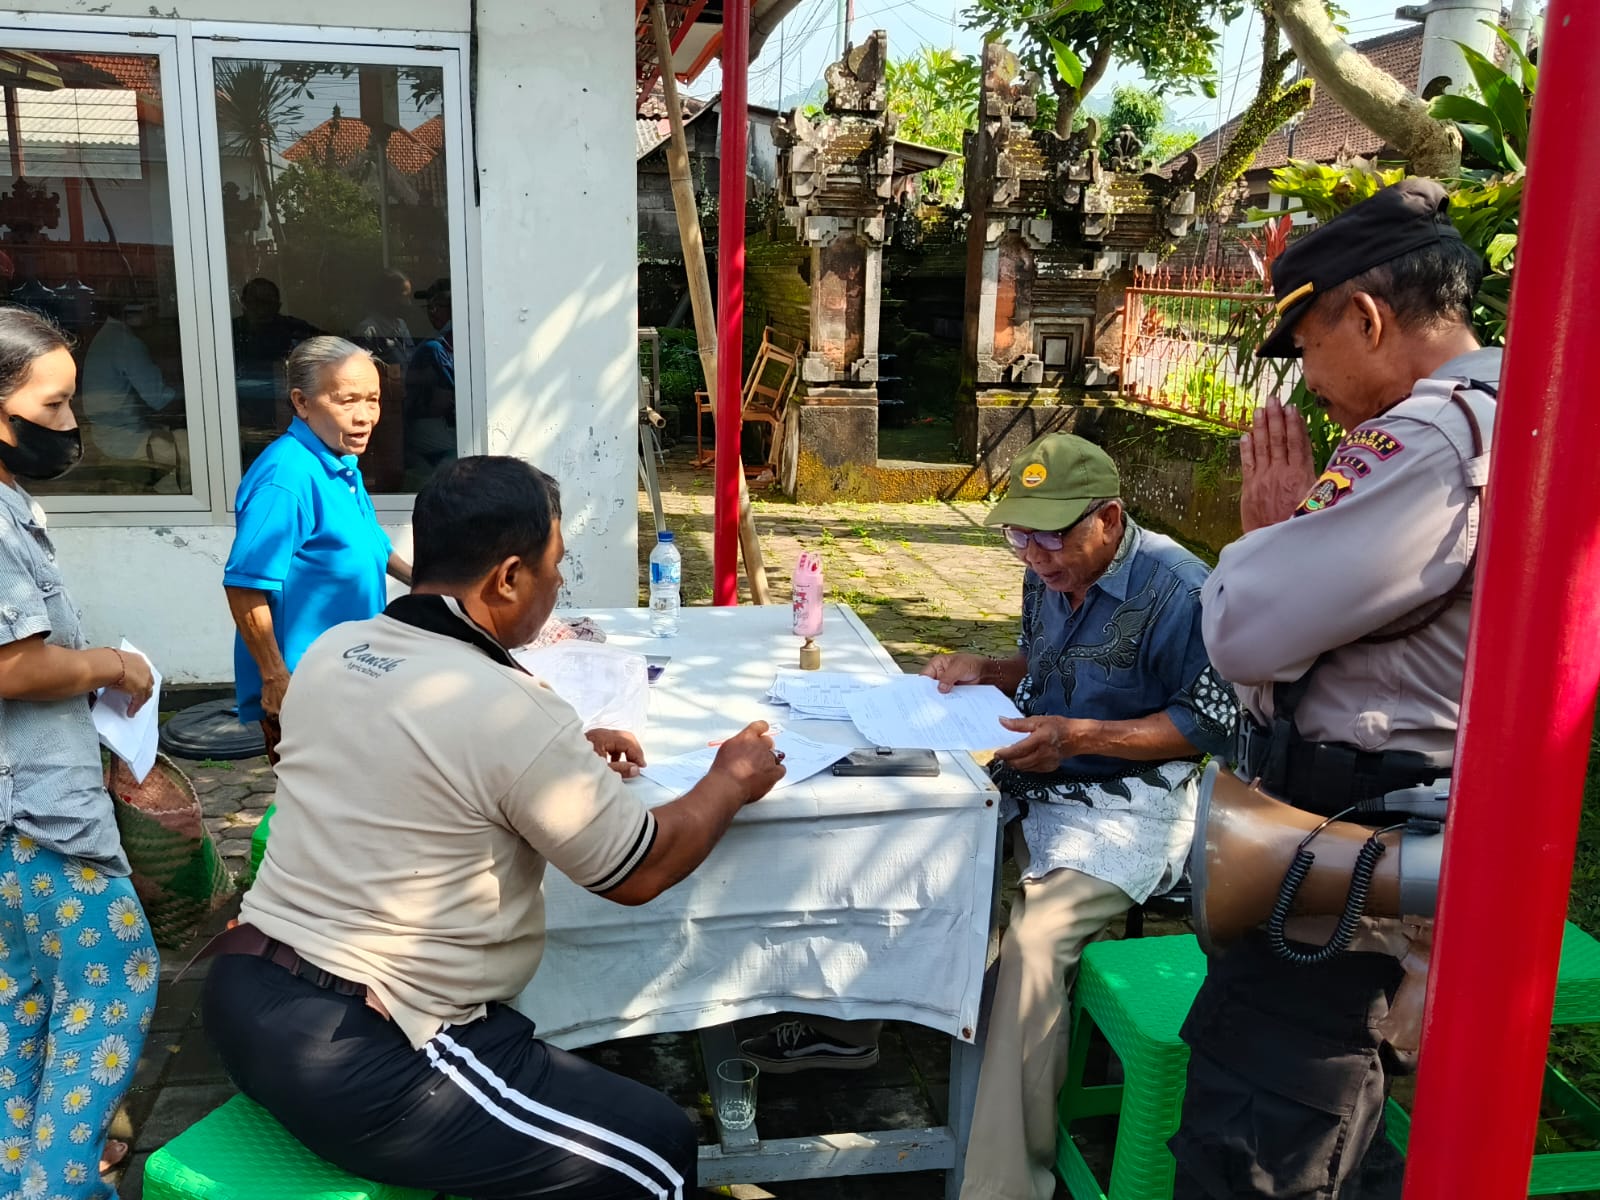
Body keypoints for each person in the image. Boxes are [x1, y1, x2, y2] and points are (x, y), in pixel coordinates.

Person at [201, 455, 787, 1198]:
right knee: (655, 1149)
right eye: (555, 566)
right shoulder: (511, 706)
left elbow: (407, 760)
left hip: (241, 994)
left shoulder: (335, 650)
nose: (558, 584)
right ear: (508, 578)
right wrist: (732, 778)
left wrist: (562, 757)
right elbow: (642, 868)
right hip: (363, 1048)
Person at [740, 434, 1237, 1200]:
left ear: (1108, 518)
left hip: (1133, 800)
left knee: (1036, 941)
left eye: (1050, 538)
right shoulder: (1048, 570)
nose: (1033, 556)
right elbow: (1049, 666)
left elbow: (1209, 726)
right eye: (1018, 536)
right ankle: (854, 1022)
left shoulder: (1182, 592)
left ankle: (1004, 1184)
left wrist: (1082, 739)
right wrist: (991, 671)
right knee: (907, 833)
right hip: (1036, 766)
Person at [1168, 178, 1501, 1200]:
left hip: (1349, 861)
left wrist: (1271, 535)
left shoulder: (1425, 442)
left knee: (1258, 1149)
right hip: (1385, 840)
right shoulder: (1500, 414)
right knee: (1339, 1142)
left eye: (1308, 347)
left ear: (1365, 317)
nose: (1308, 383)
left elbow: (1241, 630)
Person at [0, 306, 161, 1197]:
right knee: (112, 986)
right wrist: (112, 665)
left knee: (21, 1011)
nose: (69, 425)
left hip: (17, 817)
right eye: (53, 406)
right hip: (38, 818)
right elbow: (15, 668)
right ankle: (59, 1185)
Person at [222, 336, 412, 764]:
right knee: (323, 796)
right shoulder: (286, 478)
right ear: (302, 402)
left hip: (352, 673)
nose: (364, 416)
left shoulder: (339, 462)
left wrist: (433, 588)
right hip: (306, 687)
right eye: (347, 401)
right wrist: (274, 676)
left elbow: (372, 544)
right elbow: (244, 585)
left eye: (373, 400)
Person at [80, 289, 186, 488]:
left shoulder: (109, 336)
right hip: (126, 441)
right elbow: (161, 401)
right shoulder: (126, 343)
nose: (156, 313)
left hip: (106, 434)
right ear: (129, 310)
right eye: (150, 306)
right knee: (202, 451)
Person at [403, 277, 456, 472]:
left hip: (445, 424)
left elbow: (442, 400)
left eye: (438, 306)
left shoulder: (439, 345)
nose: (432, 312)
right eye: (428, 307)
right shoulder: (437, 342)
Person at [352, 269, 415, 366]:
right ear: (389, 297)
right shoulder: (368, 330)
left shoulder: (401, 324)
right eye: (404, 297)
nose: (408, 303)